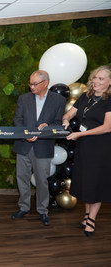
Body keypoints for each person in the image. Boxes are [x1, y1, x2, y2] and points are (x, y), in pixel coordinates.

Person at [62, 65, 111, 237]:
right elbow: (70, 113)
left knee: (95, 183)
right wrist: (66, 119)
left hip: (101, 147)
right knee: (85, 181)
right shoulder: (86, 96)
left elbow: (107, 127)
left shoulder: (109, 100)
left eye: (101, 79)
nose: (96, 81)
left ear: (110, 83)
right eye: (95, 78)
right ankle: (86, 216)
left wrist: (79, 134)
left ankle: (91, 220)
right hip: (84, 146)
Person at [12, 70, 66, 226]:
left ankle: (43, 211)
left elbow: (58, 124)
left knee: (42, 181)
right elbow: (17, 120)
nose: (31, 86)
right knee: (22, 178)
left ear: (45, 83)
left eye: (35, 84)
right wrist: (25, 134)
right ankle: (24, 207)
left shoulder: (58, 100)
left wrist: (47, 128)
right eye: (30, 83)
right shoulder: (23, 99)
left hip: (43, 147)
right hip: (23, 146)